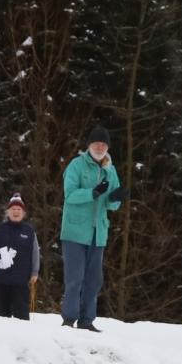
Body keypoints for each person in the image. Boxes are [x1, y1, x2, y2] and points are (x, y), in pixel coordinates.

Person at [59, 125, 126, 331]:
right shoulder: (76, 165)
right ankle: (69, 319)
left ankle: (87, 320)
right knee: (75, 277)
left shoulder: (110, 170)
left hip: (99, 234)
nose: (100, 146)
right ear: (89, 145)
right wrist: (93, 193)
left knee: (94, 280)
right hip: (75, 232)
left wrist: (116, 198)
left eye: (104, 144)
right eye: (97, 143)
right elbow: (69, 195)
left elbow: (111, 204)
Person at [0, 193, 41, 320]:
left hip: (21, 280)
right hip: (1, 279)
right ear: (8, 212)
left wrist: (34, 272)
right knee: (1, 316)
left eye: (19, 209)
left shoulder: (29, 231)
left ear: (23, 212)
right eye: (13, 209)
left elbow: (35, 252)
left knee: (21, 316)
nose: (16, 212)